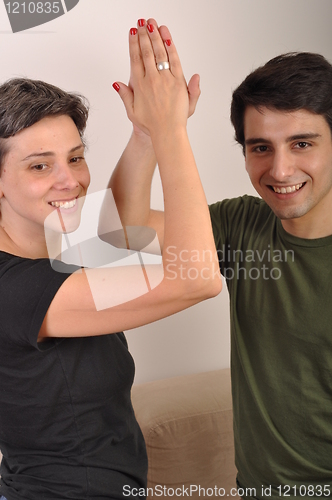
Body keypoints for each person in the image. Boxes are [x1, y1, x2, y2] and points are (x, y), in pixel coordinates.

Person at [0, 19, 221, 500]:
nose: (70, 180)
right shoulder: (14, 290)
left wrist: (143, 131)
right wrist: (170, 132)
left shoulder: (54, 237)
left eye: (76, 157)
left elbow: (121, 222)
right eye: (40, 165)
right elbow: (197, 279)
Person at [111, 45, 332, 500]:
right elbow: (115, 231)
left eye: (302, 143)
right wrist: (148, 132)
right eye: (260, 148)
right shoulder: (243, 226)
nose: (280, 169)